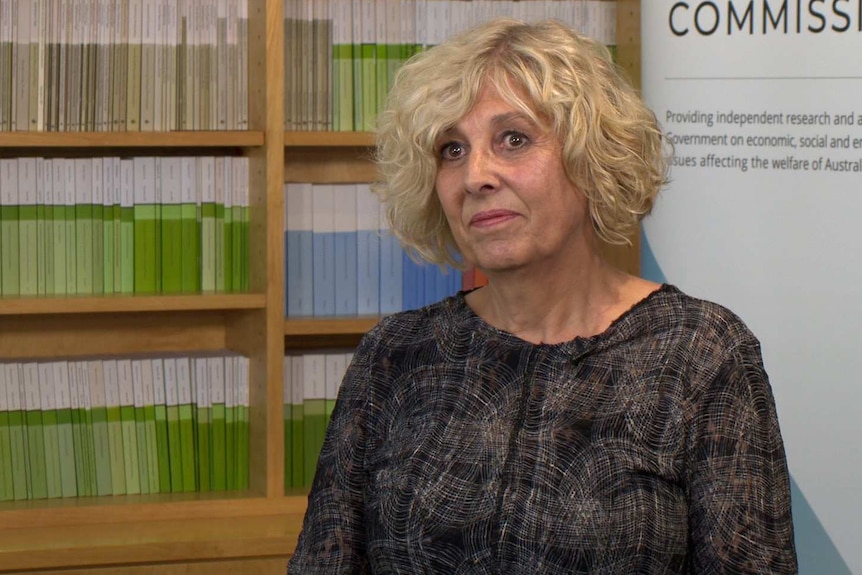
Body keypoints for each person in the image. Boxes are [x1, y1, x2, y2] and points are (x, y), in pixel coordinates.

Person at [288, 18, 797, 575]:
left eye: (514, 139)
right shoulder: (396, 353)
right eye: (452, 149)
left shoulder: (699, 353)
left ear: (592, 156)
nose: (476, 175)